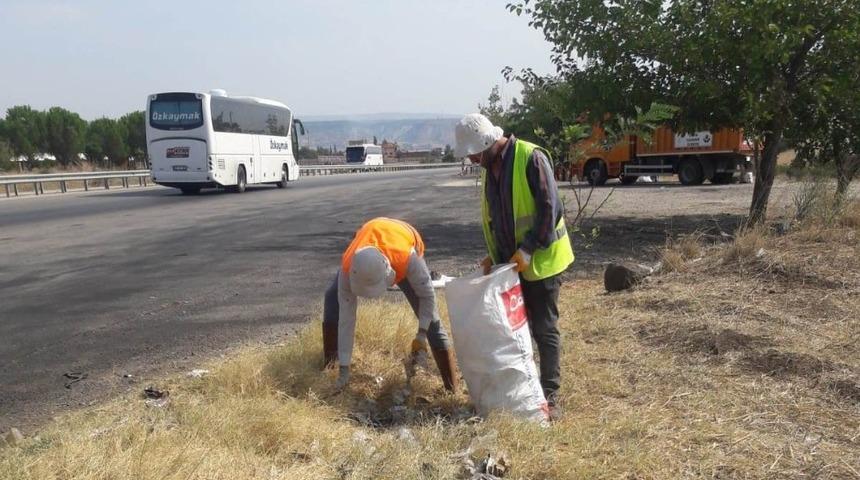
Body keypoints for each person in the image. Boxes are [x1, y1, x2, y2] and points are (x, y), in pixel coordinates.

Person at [454, 113, 575, 420]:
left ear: (486, 143)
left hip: (543, 261)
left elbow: (551, 210)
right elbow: (498, 218)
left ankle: (551, 396)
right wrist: (494, 258)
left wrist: (529, 248)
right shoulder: (490, 168)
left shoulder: (530, 158)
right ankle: (525, 392)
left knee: (544, 329)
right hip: (512, 267)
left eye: (474, 153)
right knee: (516, 331)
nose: (472, 158)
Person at [322, 217, 458, 392]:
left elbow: (427, 296)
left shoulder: (409, 259)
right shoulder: (350, 268)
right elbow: (347, 320)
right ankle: (330, 366)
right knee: (332, 300)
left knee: (434, 322)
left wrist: (421, 335)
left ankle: (451, 390)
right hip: (373, 232)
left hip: (401, 237)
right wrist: (344, 371)